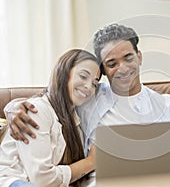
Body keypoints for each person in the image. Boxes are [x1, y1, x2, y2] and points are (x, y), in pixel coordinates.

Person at [4, 24, 170, 172]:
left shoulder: (168, 105)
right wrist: (14, 106)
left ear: (139, 57)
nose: (123, 68)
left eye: (128, 58)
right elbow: (54, 97)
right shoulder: (88, 98)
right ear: (103, 70)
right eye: (112, 63)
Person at [0, 49, 101, 187]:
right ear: (64, 73)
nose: (89, 86)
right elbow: (41, 180)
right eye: (83, 76)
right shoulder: (36, 110)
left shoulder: (76, 119)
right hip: (15, 181)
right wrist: (90, 162)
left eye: (94, 83)